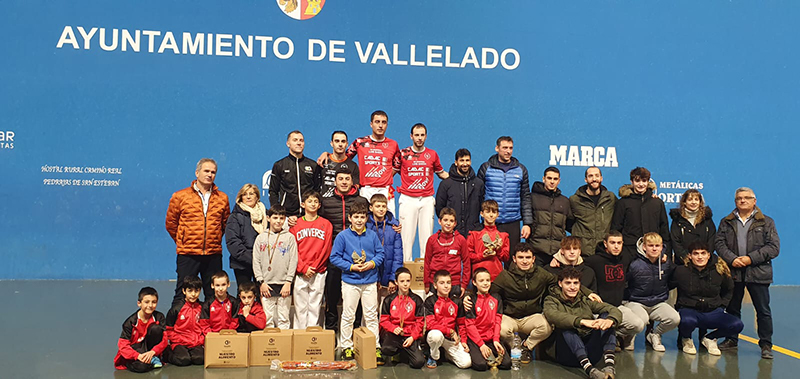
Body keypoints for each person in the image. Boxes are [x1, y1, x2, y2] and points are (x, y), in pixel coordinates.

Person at [490, 243, 600, 364]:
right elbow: (489, 293)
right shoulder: (505, 276)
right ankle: (516, 349)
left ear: (533, 259)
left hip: (531, 316)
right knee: (502, 329)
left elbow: (564, 281)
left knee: (547, 327)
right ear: (514, 259)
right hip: (510, 316)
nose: (525, 261)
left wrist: (586, 292)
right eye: (521, 257)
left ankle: (526, 346)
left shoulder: (541, 274)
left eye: (528, 257)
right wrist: (469, 298)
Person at [715, 187, 780, 359]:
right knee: (732, 309)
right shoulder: (726, 222)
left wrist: (750, 259)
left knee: (763, 310)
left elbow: (773, 247)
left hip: (758, 273)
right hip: (733, 272)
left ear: (754, 201)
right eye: (739, 198)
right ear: (735, 201)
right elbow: (719, 243)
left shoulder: (767, 222)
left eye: (746, 198)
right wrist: (732, 259)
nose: (742, 200)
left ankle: (766, 344)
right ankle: (731, 339)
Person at [166, 158, 230, 305]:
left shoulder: (223, 198)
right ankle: (179, 327)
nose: (210, 175)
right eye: (206, 171)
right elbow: (171, 223)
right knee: (183, 292)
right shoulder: (180, 196)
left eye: (213, 172)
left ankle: (212, 327)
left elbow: (224, 224)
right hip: (188, 253)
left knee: (213, 294)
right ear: (197, 173)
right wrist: (183, 240)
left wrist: (213, 239)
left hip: (213, 254)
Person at [329, 202, 385, 361]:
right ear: (350, 218)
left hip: (369, 282)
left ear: (366, 218)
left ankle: (375, 347)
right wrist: (351, 267)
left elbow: (380, 254)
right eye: (356, 217)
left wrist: (372, 263)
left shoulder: (372, 235)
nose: (359, 220)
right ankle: (346, 346)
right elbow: (334, 257)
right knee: (348, 315)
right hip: (350, 282)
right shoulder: (342, 236)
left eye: (362, 217)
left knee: (371, 316)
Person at [543, 267, 621, 379]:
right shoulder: (551, 300)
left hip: (589, 352)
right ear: (560, 284)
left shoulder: (584, 300)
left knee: (606, 316)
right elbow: (552, 315)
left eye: (576, 283)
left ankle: (609, 366)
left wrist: (610, 321)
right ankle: (589, 370)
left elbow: (613, 309)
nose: (572, 287)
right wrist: (581, 322)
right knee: (566, 326)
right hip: (567, 353)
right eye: (568, 283)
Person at [318, 110, 400, 215]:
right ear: (371, 124)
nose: (380, 125)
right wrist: (328, 155)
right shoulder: (360, 142)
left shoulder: (393, 144)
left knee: (389, 223)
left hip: (385, 190)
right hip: (366, 190)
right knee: (363, 223)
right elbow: (343, 157)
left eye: (383, 122)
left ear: (387, 125)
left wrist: (385, 176)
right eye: (377, 122)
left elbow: (397, 165)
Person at [319, 169, 370, 333]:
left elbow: (376, 217)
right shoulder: (326, 201)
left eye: (347, 179)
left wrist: (393, 223)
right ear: (335, 181)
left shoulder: (361, 200)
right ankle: (332, 333)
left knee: (357, 299)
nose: (344, 182)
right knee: (332, 297)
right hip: (335, 257)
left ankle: (356, 332)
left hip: (357, 258)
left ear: (352, 181)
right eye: (340, 179)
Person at [671, 241, 743, 355]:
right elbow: (667, 285)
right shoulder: (680, 272)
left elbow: (729, 289)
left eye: (703, 253)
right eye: (696, 253)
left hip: (713, 311)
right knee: (687, 321)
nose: (700, 257)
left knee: (736, 325)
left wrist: (722, 305)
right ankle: (686, 339)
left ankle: (710, 338)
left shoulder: (719, 271)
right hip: (689, 310)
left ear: (708, 255)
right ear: (689, 256)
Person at [394, 123, 448, 260]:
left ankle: (425, 274)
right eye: (416, 135)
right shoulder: (403, 154)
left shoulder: (432, 154)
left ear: (426, 136)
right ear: (411, 136)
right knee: (405, 239)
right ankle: (405, 274)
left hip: (426, 200)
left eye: (422, 135)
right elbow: (391, 172)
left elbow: (441, 174)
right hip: (407, 199)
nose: (419, 138)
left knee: (427, 238)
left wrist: (459, 178)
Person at [582, 231, 643, 350]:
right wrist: (558, 258)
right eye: (612, 243)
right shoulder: (594, 260)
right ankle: (607, 338)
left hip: (617, 307)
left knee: (638, 325)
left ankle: (613, 336)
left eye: (619, 243)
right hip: (598, 309)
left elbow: (645, 255)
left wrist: (663, 257)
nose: (616, 246)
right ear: (605, 244)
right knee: (592, 329)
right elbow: (575, 263)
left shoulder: (625, 258)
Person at [623, 233, 680, 352]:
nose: (654, 248)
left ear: (661, 247)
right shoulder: (634, 264)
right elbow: (625, 283)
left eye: (657, 246)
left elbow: (672, 280)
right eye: (651, 245)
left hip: (658, 302)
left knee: (674, 318)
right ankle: (628, 336)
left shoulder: (666, 263)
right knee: (641, 321)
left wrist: (664, 291)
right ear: (644, 247)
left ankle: (655, 334)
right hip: (636, 302)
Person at [477, 136, 533, 251]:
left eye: (511, 148)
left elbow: (525, 197)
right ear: (497, 148)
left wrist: (527, 223)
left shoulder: (521, 169)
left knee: (511, 259)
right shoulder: (486, 168)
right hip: (491, 222)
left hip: (512, 222)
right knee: (489, 257)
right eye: (505, 148)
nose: (508, 151)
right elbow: (478, 196)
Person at [290, 190, 333, 329]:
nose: (313, 204)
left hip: (318, 271)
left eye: (316, 202)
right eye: (310, 201)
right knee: (300, 306)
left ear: (320, 205)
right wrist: (303, 268)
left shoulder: (326, 224)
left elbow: (326, 249)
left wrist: (314, 267)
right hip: (300, 272)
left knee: (315, 305)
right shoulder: (295, 225)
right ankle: (299, 335)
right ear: (303, 204)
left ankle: (312, 335)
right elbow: (293, 250)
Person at [253, 205, 298, 329]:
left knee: (284, 319)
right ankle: (270, 347)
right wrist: (261, 281)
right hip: (266, 285)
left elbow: (293, 260)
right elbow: (256, 261)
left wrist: (289, 281)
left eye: (281, 218)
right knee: (268, 319)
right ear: (268, 218)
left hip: (284, 285)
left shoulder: (289, 238)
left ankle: (284, 347)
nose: (278, 221)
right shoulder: (260, 238)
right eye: (275, 218)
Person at [611, 167, 670, 260]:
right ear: (632, 181)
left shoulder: (657, 203)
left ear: (648, 182)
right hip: (629, 250)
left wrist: (665, 252)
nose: (641, 184)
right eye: (637, 181)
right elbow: (616, 228)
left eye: (644, 180)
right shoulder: (623, 203)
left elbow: (664, 229)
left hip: (652, 251)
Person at [465, 268, 511, 372]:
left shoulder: (496, 298)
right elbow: (470, 325)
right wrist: (481, 345)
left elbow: (497, 320)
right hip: (476, 340)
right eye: (481, 281)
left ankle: (491, 353)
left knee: (507, 364)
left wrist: (496, 340)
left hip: (491, 339)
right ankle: (479, 353)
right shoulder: (470, 300)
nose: (485, 283)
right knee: (481, 366)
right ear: (474, 282)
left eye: (487, 280)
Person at [268, 130, 320, 224]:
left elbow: (317, 190)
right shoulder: (279, 165)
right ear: (288, 143)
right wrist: (280, 214)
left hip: (309, 216)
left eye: (301, 140)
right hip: (287, 217)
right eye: (295, 140)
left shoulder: (312, 165)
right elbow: (273, 191)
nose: (299, 143)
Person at [379, 267, 426, 369]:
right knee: (386, 349)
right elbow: (383, 320)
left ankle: (405, 352)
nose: (405, 284)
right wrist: (392, 328)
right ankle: (398, 352)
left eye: (408, 281)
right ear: (396, 282)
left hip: (409, 335)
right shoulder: (389, 299)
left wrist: (413, 337)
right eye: (402, 281)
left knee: (418, 363)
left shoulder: (417, 300)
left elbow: (420, 323)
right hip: (395, 334)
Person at [424, 270, 472, 369]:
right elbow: (430, 324)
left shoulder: (457, 302)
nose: (446, 286)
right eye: (442, 283)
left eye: (448, 283)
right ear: (435, 285)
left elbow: (462, 324)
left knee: (466, 363)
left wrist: (463, 340)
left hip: (451, 340)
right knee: (436, 336)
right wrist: (449, 331)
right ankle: (434, 356)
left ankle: (447, 354)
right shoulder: (430, 301)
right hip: (436, 336)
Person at [113, 287, 167, 372]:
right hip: (136, 350)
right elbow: (123, 345)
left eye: (154, 302)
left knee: (156, 329)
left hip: (150, 349)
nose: (150, 305)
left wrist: (153, 352)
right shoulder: (130, 322)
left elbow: (165, 339)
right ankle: (142, 361)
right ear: (139, 303)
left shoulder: (159, 317)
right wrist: (137, 356)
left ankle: (153, 358)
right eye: (146, 302)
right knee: (142, 367)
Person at [435, 148, 485, 238]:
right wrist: (450, 225)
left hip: (473, 234)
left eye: (467, 160)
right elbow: (440, 209)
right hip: (453, 234)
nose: (465, 164)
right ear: (456, 162)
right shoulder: (446, 184)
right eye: (461, 160)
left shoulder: (479, 184)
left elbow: (482, 206)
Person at [226, 183, 268, 289]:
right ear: (241, 198)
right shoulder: (235, 217)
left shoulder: (267, 215)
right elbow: (233, 242)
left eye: (251, 194)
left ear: (257, 197)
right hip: (242, 265)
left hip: (263, 264)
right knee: (244, 296)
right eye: (244, 194)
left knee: (262, 296)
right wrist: (253, 259)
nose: (248, 197)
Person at [530, 167, 574, 266]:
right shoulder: (533, 198)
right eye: (549, 178)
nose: (552, 182)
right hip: (537, 250)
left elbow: (569, 224)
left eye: (555, 179)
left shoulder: (565, 201)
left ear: (559, 181)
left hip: (557, 253)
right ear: (543, 179)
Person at [424, 207, 471, 300]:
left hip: (454, 283)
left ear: (455, 223)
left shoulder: (461, 240)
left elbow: (466, 263)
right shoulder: (432, 240)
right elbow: (427, 262)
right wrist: (426, 283)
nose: (448, 223)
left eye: (451, 221)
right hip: (435, 283)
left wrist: (464, 284)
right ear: (439, 221)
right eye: (445, 220)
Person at [569, 166, 617, 257]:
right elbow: (568, 222)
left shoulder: (610, 198)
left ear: (601, 178)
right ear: (586, 180)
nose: (594, 179)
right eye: (590, 176)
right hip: (583, 252)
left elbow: (623, 211)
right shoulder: (575, 200)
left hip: (604, 252)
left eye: (597, 176)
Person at [367, 194, 403, 297]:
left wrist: (393, 279)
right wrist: (375, 279)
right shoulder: (366, 226)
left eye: (383, 206)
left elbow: (398, 256)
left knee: (385, 310)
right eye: (378, 206)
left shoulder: (394, 227)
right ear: (371, 208)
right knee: (371, 311)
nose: (381, 209)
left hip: (388, 278)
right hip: (370, 277)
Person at [164, 276, 204, 367]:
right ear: (184, 291)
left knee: (199, 359)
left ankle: (190, 353)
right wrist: (180, 340)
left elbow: (205, 327)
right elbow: (168, 330)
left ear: (200, 291)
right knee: (183, 360)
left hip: (195, 342)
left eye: (196, 290)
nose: (193, 294)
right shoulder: (176, 309)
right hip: (179, 342)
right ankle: (167, 354)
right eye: (190, 291)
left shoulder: (202, 308)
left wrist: (200, 340)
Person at [670, 189, 716, 265]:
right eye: (690, 199)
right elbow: (675, 242)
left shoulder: (707, 219)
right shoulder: (677, 220)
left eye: (696, 199)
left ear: (700, 202)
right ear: (684, 202)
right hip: (683, 264)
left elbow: (712, 238)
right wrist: (686, 259)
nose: (693, 202)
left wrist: (705, 257)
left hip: (705, 264)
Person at [467, 200, 509, 281]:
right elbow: (468, 255)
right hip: (479, 277)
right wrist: (482, 255)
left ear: (497, 214)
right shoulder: (474, 233)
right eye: (487, 212)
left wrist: (499, 249)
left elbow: (506, 258)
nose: (491, 215)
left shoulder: (503, 234)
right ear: (482, 214)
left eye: (494, 212)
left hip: (497, 276)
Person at [318, 130, 359, 199]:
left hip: (344, 205)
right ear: (331, 143)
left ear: (347, 144)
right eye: (337, 141)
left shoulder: (353, 166)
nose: (340, 144)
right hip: (325, 205)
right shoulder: (323, 161)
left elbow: (355, 189)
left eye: (343, 141)